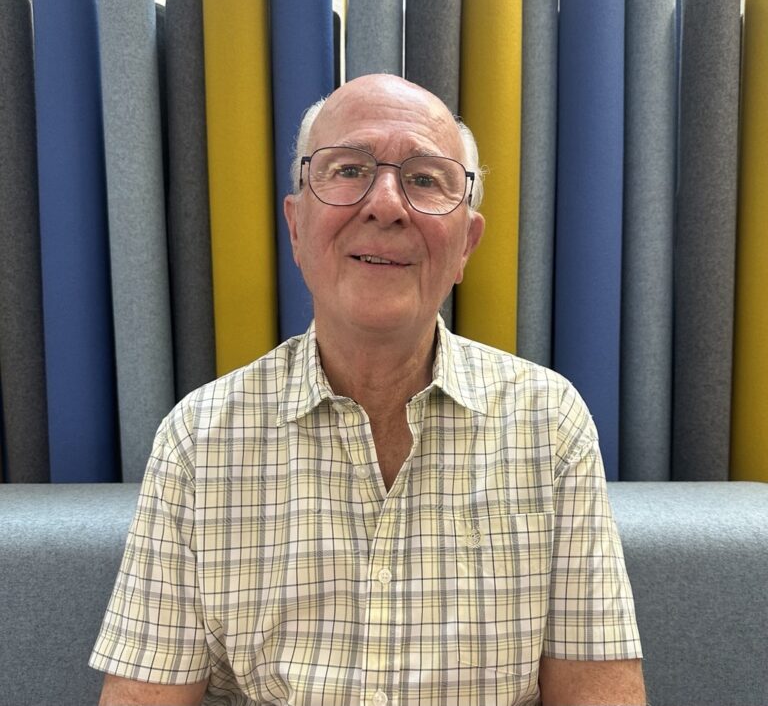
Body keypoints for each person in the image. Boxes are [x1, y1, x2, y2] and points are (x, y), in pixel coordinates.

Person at [91, 74, 645, 706]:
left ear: (466, 244)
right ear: (296, 228)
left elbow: (597, 692)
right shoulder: (199, 439)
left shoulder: (550, 423)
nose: (385, 203)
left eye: (425, 179)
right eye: (349, 169)